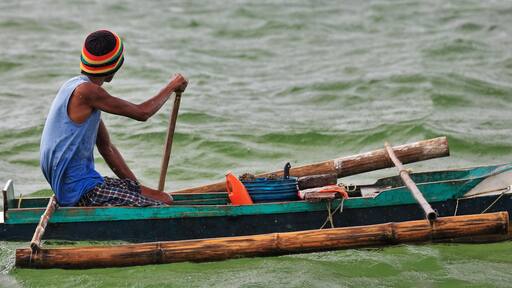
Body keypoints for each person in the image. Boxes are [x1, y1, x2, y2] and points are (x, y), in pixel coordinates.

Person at [40, 30, 187, 207]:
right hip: (81, 192)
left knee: (165, 198)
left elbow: (106, 148)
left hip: (82, 185)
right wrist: (172, 86)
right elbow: (142, 113)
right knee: (162, 205)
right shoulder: (87, 92)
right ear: (113, 69)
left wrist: (135, 187)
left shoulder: (74, 87)